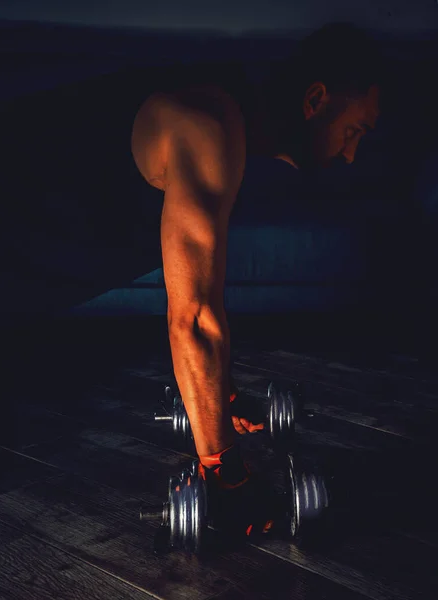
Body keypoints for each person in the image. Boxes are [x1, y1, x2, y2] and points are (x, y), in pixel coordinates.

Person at [130, 22, 382, 536]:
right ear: (316, 99)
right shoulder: (209, 130)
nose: (351, 154)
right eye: (353, 131)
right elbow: (194, 319)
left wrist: (220, 399)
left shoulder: (233, 125)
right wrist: (226, 475)